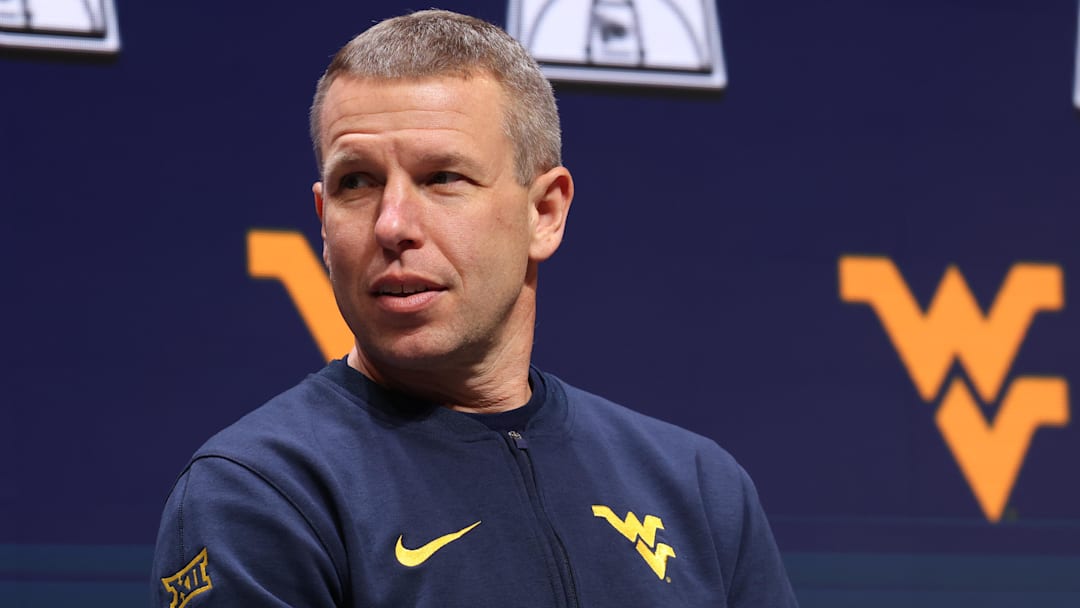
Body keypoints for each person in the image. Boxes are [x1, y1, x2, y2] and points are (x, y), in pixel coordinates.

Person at [151, 9, 798, 607]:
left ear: (544, 212)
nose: (392, 224)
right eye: (357, 182)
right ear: (323, 220)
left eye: (442, 178)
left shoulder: (697, 488)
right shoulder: (260, 492)